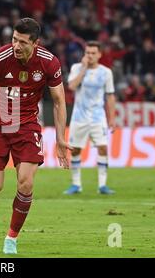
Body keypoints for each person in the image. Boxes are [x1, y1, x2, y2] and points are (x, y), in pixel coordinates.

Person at [0, 18, 70, 255]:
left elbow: (60, 102)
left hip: (26, 125)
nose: (16, 46)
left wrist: (61, 139)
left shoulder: (49, 63)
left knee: (26, 182)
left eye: (22, 42)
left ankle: (11, 237)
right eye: (13, 39)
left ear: (35, 43)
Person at [64, 41, 116, 195]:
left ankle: (102, 185)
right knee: (75, 150)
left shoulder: (106, 72)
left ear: (99, 54)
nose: (90, 56)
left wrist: (111, 118)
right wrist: (84, 69)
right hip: (79, 117)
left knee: (103, 147)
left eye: (93, 53)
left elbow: (110, 96)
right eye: (88, 53)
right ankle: (76, 184)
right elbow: (72, 86)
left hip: (98, 118)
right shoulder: (76, 68)